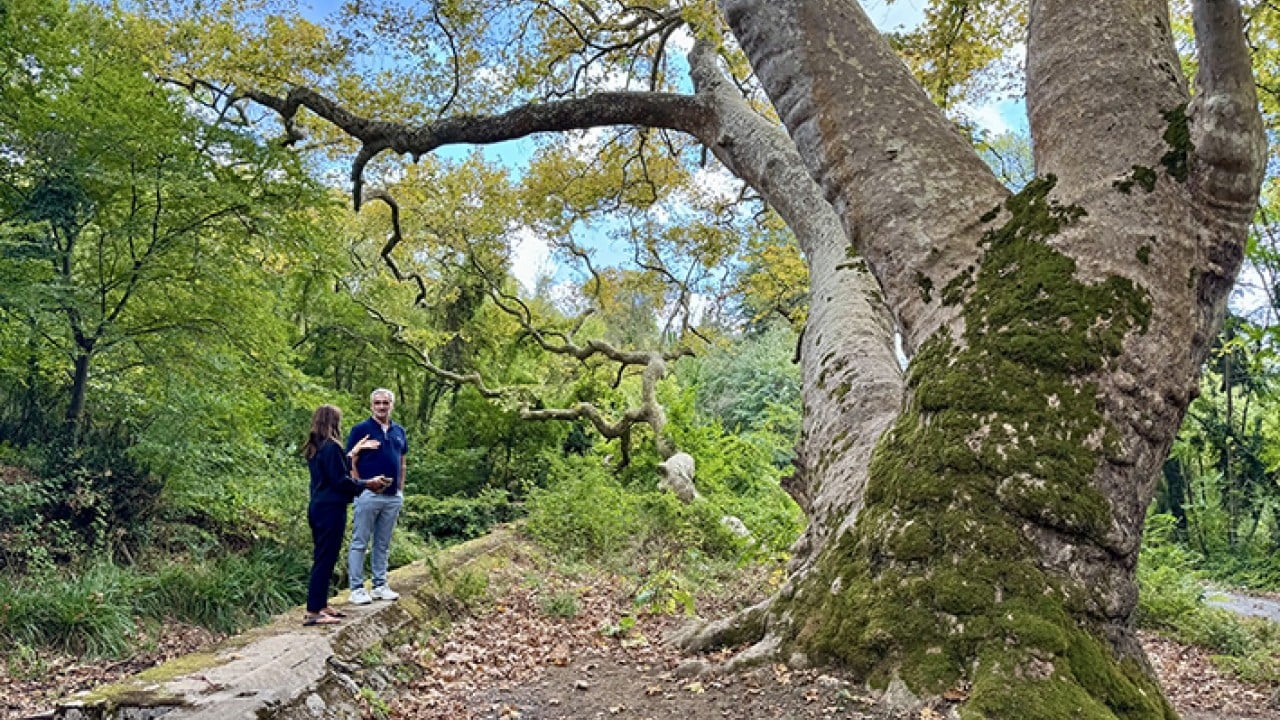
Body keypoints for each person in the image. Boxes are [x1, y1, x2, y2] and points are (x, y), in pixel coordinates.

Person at [302, 404, 386, 626]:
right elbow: (341, 481)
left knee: (325, 557)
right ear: (332, 422)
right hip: (330, 509)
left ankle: (321, 604)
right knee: (324, 559)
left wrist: (354, 453)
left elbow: (334, 472)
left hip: (318, 508)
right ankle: (313, 611)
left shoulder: (315, 448)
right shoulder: (331, 447)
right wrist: (368, 484)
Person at [346, 388, 408, 604]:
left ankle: (380, 584)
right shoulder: (360, 430)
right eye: (378, 403)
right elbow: (350, 459)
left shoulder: (399, 431)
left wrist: (400, 489)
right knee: (360, 541)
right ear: (371, 405)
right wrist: (359, 487)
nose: (382, 406)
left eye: (385, 403)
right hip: (368, 494)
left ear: (392, 405)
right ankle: (356, 588)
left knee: (382, 543)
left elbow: (402, 461)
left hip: (392, 496)